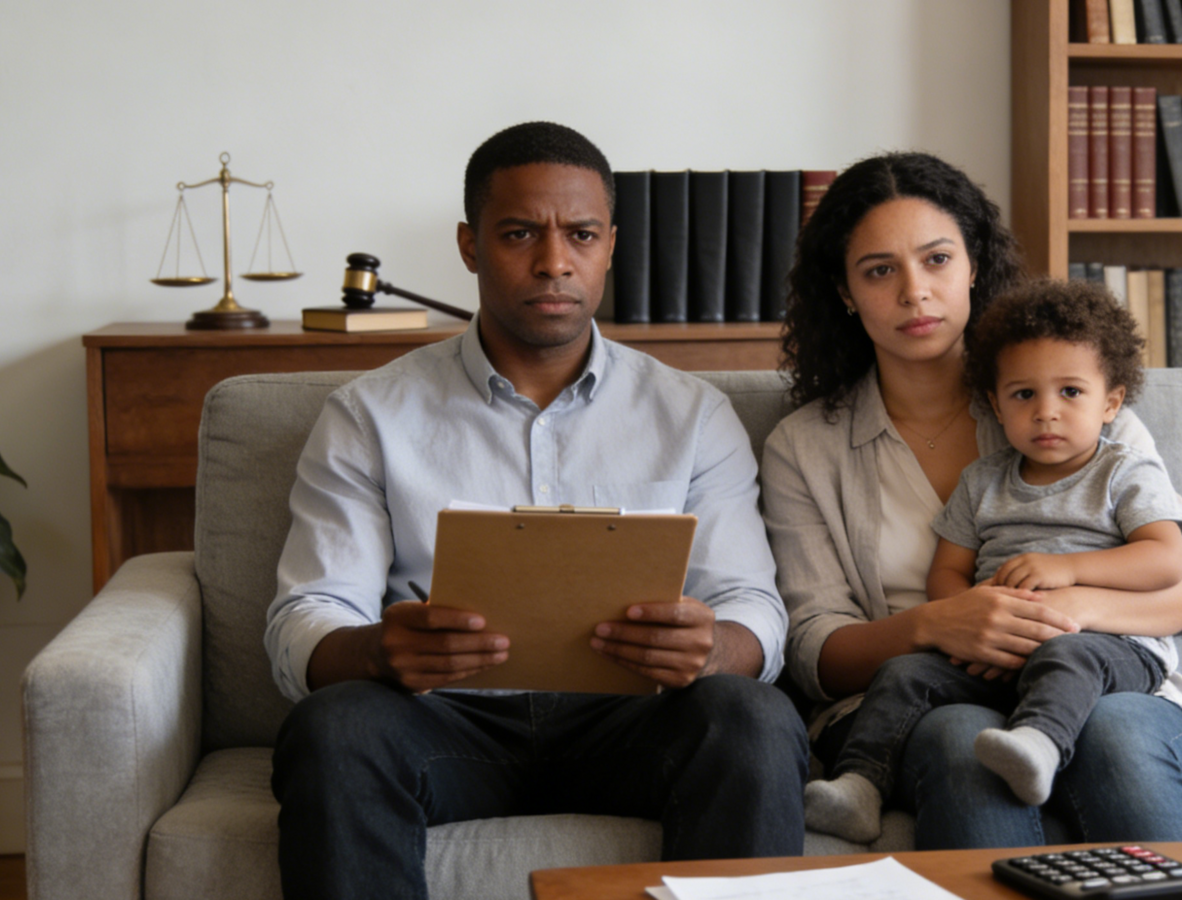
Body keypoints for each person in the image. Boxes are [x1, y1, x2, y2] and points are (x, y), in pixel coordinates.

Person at [266, 121, 807, 900]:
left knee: (752, 719)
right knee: (334, 728)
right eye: (520, 233)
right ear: (469, 244)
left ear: (611, 244)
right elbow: (305, 616)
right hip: (443, 722)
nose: (555, 262)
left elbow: (753, 606)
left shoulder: (693, 414)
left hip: (633, 723)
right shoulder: (368, 414)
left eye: (581, 235)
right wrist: (378, 651)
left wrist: (714, 647)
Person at [760, 151, 1182, 850]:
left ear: (974, 265)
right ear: (846, 291)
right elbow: (812, 652)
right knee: (962, 741)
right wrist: (939, 624)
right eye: (880, 270)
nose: (916, 292)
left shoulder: (1074, 397)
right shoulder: (804, 447)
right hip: (926, 694)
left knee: (1117, 732)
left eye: (937, 259)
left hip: (1105, 677)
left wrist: (1075, 608)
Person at [803, 279, 1182, 841]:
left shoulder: (1125, 471)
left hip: (1106, 647)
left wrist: (1070, 574)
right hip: (995, 654)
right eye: (1023, 396)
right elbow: (947, 570)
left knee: (1070, 657)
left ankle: (1037, 743)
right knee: (904, 674)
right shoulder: (983, 482)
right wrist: (965, 619)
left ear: (1111, 401)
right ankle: (858, 786)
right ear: (994, 402)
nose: (1046, 413)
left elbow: (1165, 560)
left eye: (1070, 393)